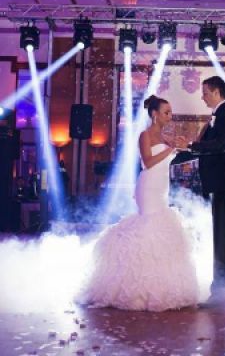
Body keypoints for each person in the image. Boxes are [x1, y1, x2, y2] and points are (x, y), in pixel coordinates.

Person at [79, 95, 198, 311]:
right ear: (155, 114)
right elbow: (148, 162)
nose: (170, 116)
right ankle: (136, 288)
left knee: (161, 232)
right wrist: (170, 149)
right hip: (148, 188)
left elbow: (172, 159)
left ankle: (158, 285)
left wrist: (186, 148)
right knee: (149, 229)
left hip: (162, 188)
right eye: (166, 112)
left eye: (170, 112)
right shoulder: (145, 135)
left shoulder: (165, 138)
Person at [175, 75, 225, 307]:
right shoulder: (216, 117)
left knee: (222, 236)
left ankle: (220, 292)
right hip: (221, 183)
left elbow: (221, 145)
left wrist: (190, 145)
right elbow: (203, 150)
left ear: (216, 92)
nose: (202, 97)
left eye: (205, 92)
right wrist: (175, 153)